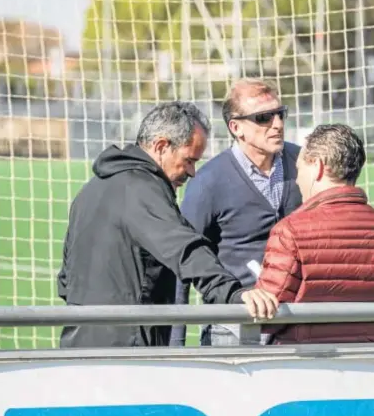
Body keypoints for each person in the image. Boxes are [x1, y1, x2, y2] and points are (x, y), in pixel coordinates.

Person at [56, 101, 278, 348]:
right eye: (189, 160)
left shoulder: (90, 190)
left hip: (77, 345)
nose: (192, 172)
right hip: (124, 352)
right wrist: (233, 293)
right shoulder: (141, 189)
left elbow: (66, 281)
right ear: (161, 146)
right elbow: (184, 248)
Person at [255, 124, 374, 344]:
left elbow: (266, 314)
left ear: (317, 166)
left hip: (304, 366)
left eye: (299, 168)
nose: (296, 179)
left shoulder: (290, 231)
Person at [170, 78, 302, 347]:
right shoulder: (207, 181)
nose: (277, 124)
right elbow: (182, 263)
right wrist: (175, 344)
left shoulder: (304, 163)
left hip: (297, 326)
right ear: (236, 127)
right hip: (231, 329)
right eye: (263, 117)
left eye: (280, 114)